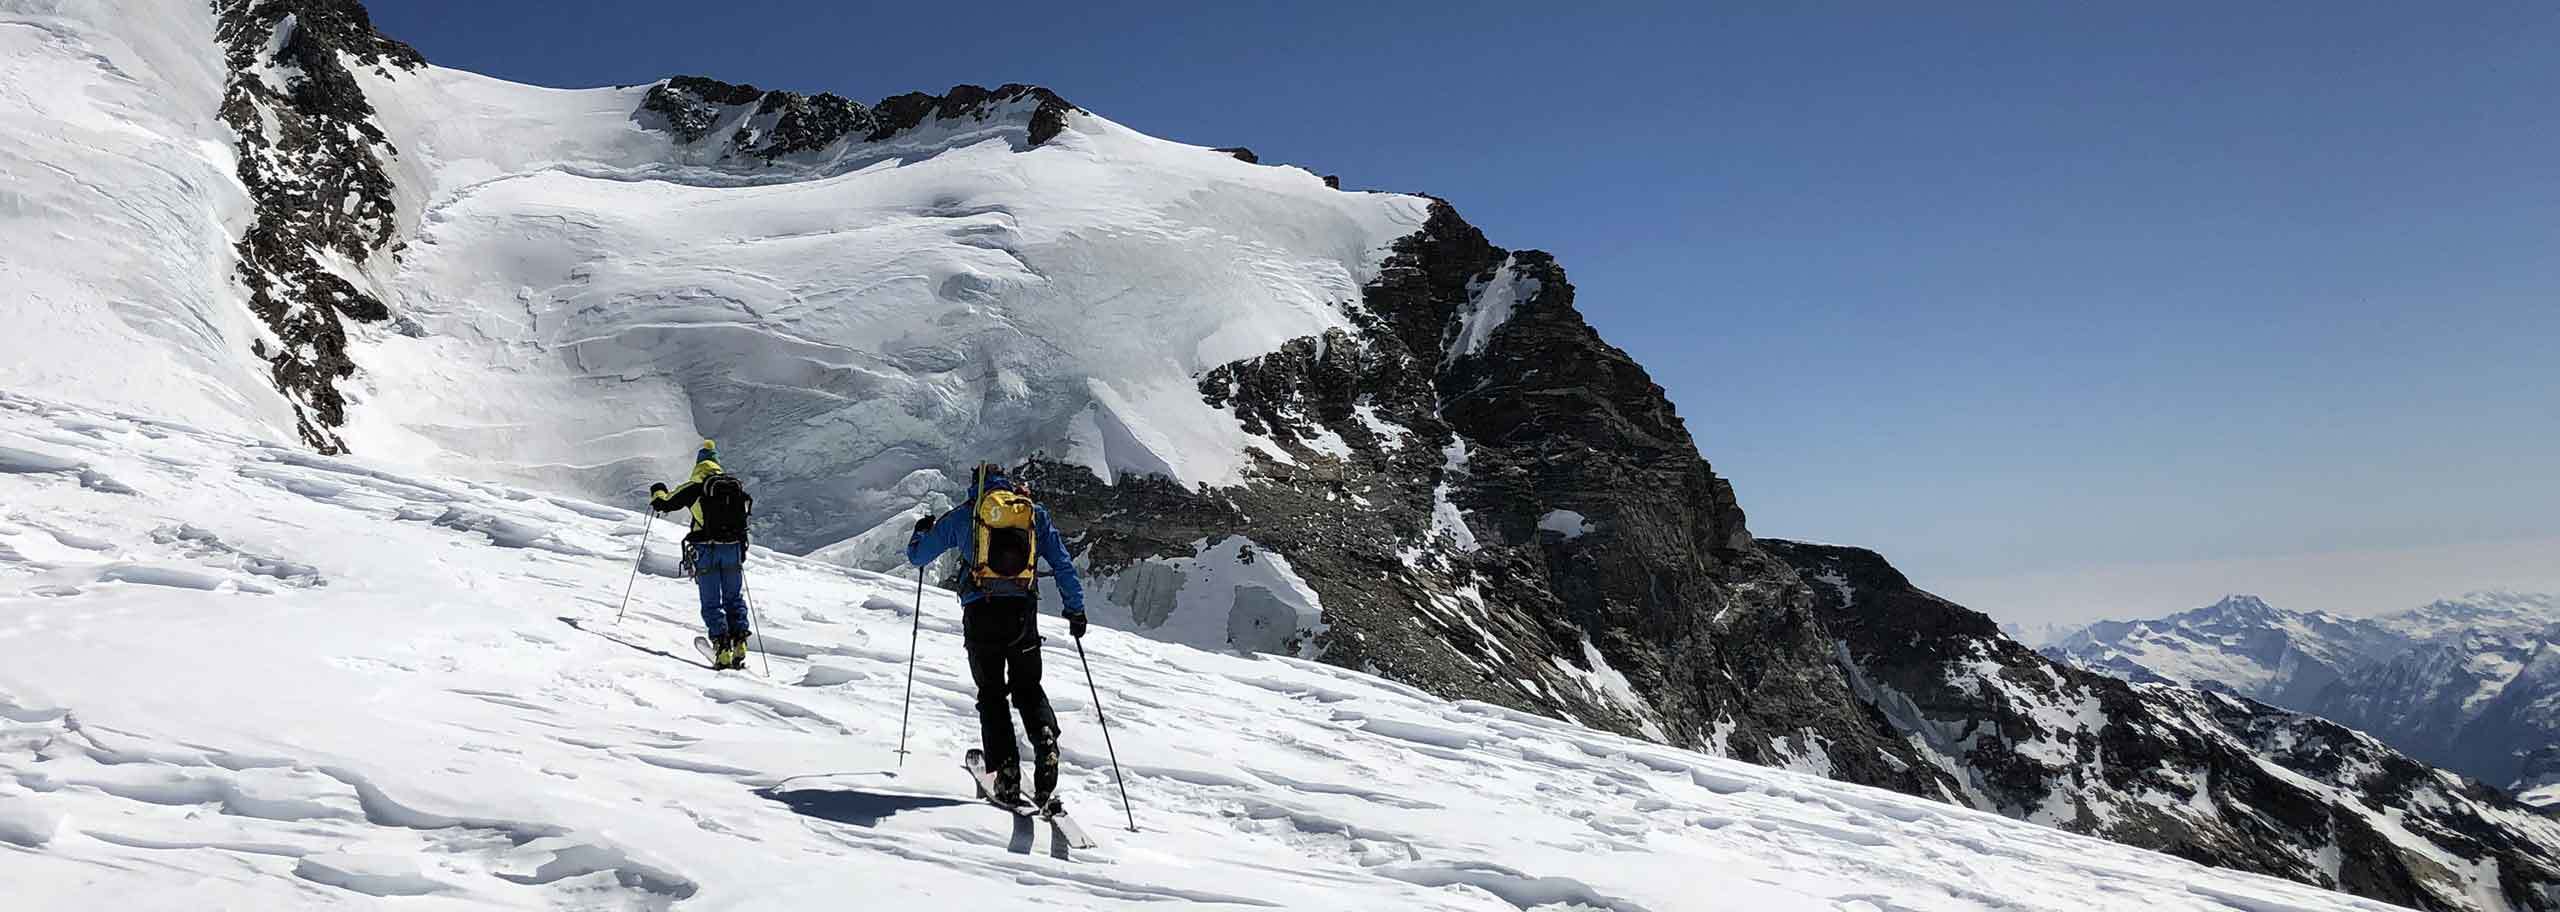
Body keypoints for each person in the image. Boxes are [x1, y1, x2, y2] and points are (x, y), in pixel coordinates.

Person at [908, 462, 1088, 810]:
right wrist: (1075, 610)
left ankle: (1006, 774)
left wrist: (921, 531)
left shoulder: (966, 515)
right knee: (1028, 687)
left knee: (992, 695)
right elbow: (1062, 563)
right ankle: (1045, 738)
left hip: (981, 612)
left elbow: (918, 555)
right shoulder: (1032, 513)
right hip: (1023, 613)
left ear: (974, 485)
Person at [650, 439, 755, 670]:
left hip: (706, 549)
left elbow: (663, 504)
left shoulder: (695, 487)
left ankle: (721, 647)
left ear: (698, 465)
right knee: (734, 598)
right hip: (733, 549)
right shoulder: (734, 488)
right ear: (717, 464)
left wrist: (657, 489)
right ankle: (739, 642)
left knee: (711, 602)